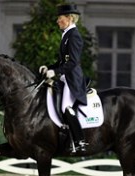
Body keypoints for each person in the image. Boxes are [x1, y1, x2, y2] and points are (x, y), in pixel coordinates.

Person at [39, 3, 88, 152]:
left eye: (60, 18)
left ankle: (80, 140)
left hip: (73, 79)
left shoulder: (74, 36)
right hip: (65, 77)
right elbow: (62, 61)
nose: (57, 21)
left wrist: (56, 72)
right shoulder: (66, 34)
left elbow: (72, 62)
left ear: (69, 18)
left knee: (66, 107)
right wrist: (50, 67)